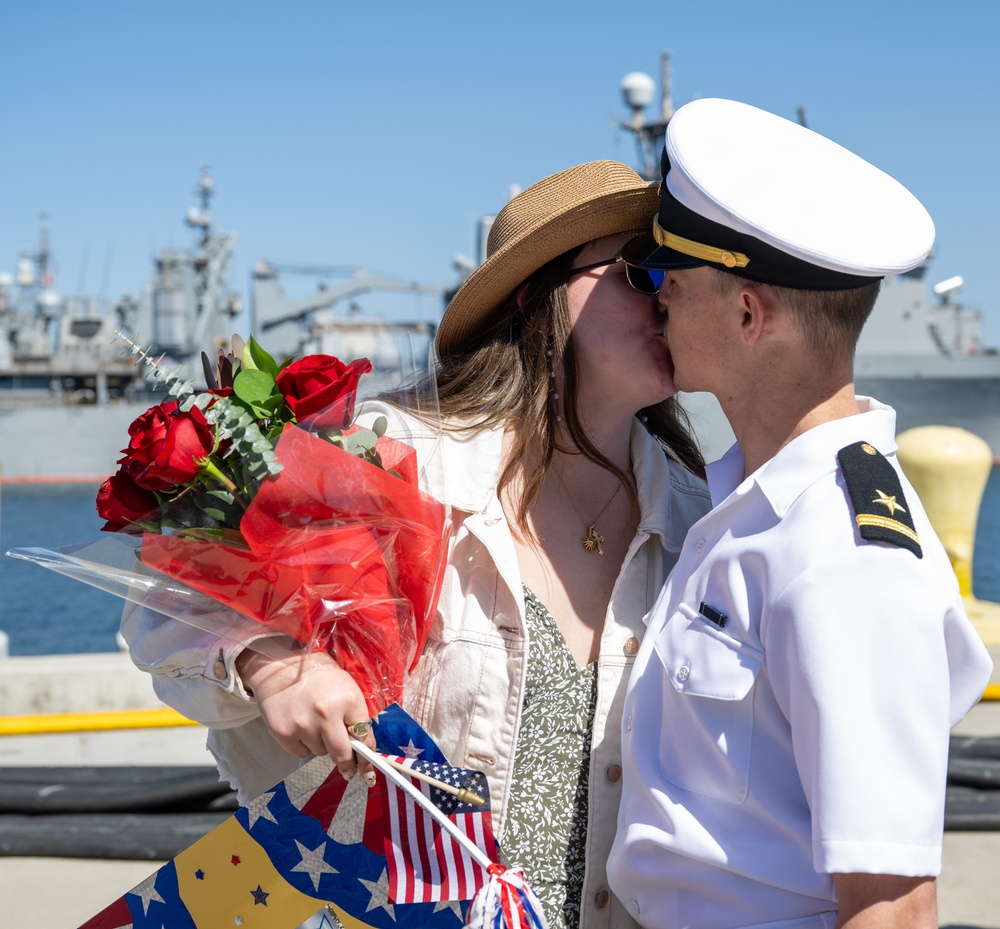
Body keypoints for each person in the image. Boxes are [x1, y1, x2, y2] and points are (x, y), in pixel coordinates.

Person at [121, 159, 712, 929]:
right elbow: (164, 599)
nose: (669, 291)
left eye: (679, 270)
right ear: (535, 296)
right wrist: (275, 662)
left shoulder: (702, 516)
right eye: (641, 267)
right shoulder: (398, 459)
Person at [605, 98, 995, 929]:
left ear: (749, 314)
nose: (654, 295)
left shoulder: (845, 555)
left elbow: (892, 912)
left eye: (668, 274)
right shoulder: (756, 506)